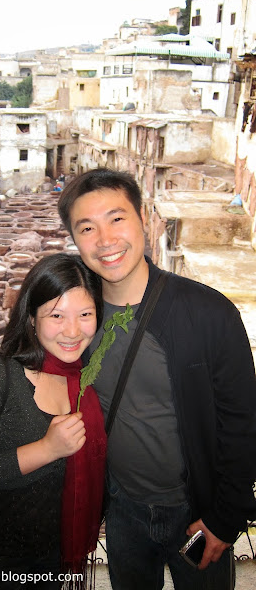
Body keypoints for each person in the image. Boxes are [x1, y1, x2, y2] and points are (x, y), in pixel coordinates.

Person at [58, 167, 256, 590]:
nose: (106, 240)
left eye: (117, 218)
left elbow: (243, 423)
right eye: (87, 227)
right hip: (122, 509)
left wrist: (226, 518)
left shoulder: (208, 313)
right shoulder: (74, 322)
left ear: (144, 219)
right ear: (74, 240)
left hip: (195, 511)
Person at [0, 253, 106, 589]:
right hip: (2, 562)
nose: (73, 331)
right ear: (32, 317)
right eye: (57, 315)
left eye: (85, 314)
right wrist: (48, 449)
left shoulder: (85, 376)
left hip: (57, 554)